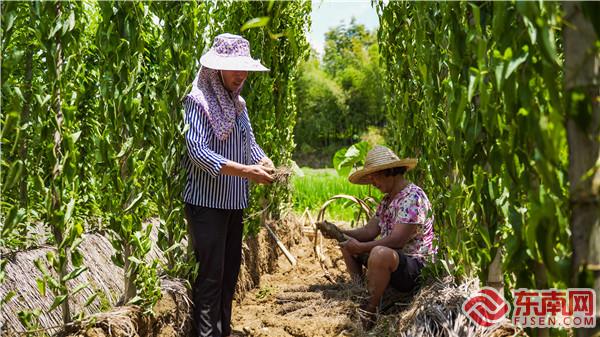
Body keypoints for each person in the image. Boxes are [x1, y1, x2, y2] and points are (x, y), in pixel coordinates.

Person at [182, 33, 274, 337]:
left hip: (234, 202)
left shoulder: (238, 105)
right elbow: (198, 152)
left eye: (244, 69)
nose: (240, 76)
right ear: (217, 68)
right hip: (207, 204)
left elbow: (250, 144)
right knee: (211, 276)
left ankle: (223, 331)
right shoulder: (198, 102)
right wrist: (247, 172)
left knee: (229, 274)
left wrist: (263, 161)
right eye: (234, 69)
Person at [336, 145, 435, 329]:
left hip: (415, 266)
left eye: (374, 176)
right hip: (394, 261)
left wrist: (363, 247)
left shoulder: (413, 196)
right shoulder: (387, 200)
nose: (372, 182)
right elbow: (369, 232)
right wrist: (339, 232)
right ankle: (360, 293)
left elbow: (398, 240)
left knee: (379, 253)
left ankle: (369, 312)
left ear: (389, 171)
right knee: (346, 244)